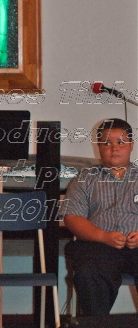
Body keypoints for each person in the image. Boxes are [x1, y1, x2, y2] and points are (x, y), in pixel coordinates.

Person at [64, 118, 138, 316]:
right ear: (98, 147)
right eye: (107, 143)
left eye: (121, 142)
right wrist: (103, 236)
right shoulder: (85, 179)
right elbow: (72, 217)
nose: (114, 148)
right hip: (98, 245)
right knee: (88, 273)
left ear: (131, 145)